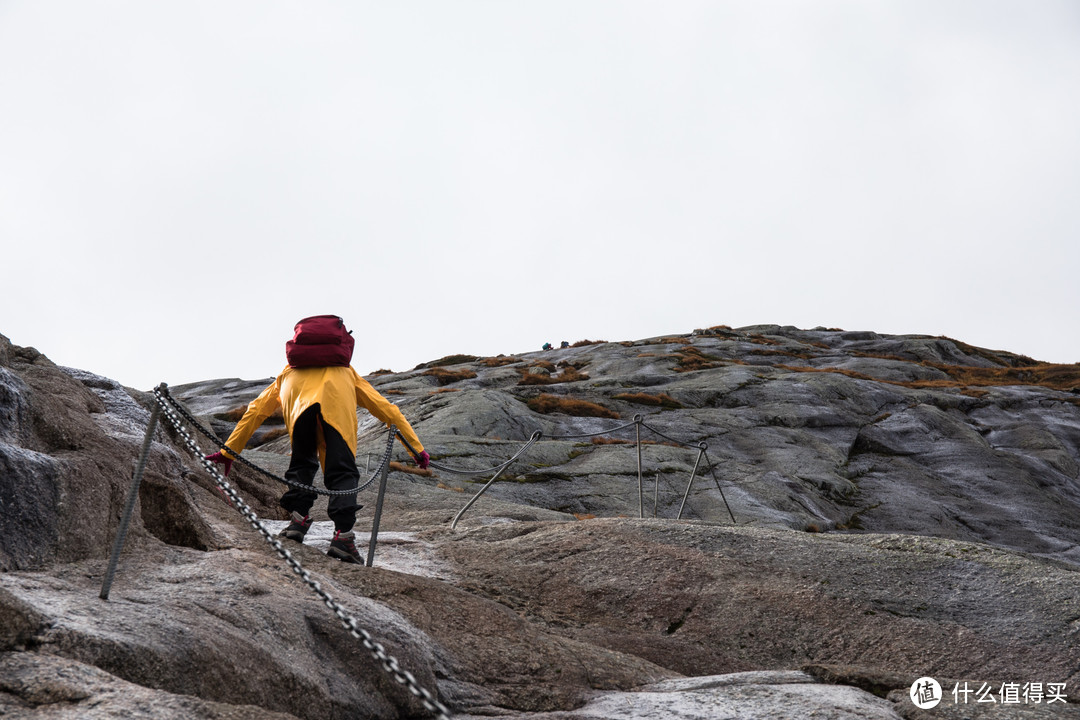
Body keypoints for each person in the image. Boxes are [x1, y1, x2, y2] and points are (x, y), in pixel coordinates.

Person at [205, 318, 429, 564]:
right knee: (342, 472)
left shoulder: (287, 374)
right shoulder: (345, 372)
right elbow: (388, 411)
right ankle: (343, 538)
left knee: (302, 464)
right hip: (337, 421)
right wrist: (416, 449)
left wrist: (229, 451)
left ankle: (297, 523)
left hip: (301, 416)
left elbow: (255, 411)